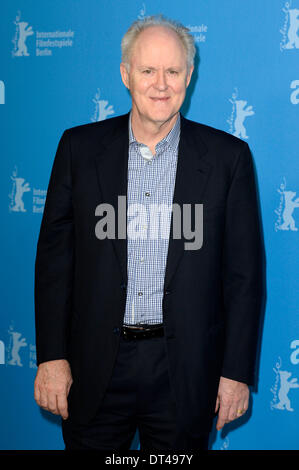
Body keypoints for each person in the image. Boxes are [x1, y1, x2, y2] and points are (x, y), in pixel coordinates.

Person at [34, 15, 264, 451]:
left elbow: (244, 278)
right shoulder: (78, 150)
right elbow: (54, 265)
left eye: (173, 71)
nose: (161, 84)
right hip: (94, 367)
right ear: (125, 74)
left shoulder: (228, 159)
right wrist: (50, 356)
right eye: (147, 70)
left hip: (185, 371)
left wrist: (235, 373)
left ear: (189, 76)